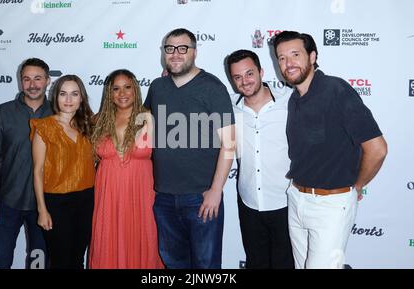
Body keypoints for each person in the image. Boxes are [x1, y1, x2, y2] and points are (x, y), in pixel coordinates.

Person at [272, 31, 387, 269]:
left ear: (312, 56)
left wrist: (357, 185)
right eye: (281, 58)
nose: (288, 63)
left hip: (331, 205)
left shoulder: (336, 90)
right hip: (296, 198)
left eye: (295, 54)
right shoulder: (294, 99)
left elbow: (377, 149)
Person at [144, 28, 235, 269]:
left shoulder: (213, 88)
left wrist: (216, 190)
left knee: (206, 266)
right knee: (174, 264)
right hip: (163, 196)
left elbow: (229, 143)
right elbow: (141, 124)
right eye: (170, 48)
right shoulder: (157, 87)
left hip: (201, 197)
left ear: (194, 52)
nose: (175, 54)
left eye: (182, 48)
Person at [0, 58, 52, 269]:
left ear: (48, 81)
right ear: (21, 82)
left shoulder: (59, 114)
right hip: (7, 203)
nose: (32, 84)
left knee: (39, 263)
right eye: (26, 79)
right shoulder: (2, 113)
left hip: (44, 206)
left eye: (38, 78)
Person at [226, 49, 294, 269]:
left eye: (249, 74)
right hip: (249, 203)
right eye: (237, 77)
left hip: (286, 202)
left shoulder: (289, 101)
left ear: (261, 71)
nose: (244, 82)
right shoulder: (229, 109)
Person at [89, 69, 163, 269]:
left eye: (127, 87)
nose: (122, 93)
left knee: (143, 239)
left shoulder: (150, 119)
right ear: (109, 93)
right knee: (108, 240)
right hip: (108, 195)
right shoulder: (97, 121)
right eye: (116, 88)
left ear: (135, 90)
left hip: (141, 194)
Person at [31, 74, 95, 269]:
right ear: (55, 97)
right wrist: (42, 209)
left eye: (74, 94)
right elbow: (38, 171)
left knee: (77, 259)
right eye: (63, 94)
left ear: (81, 98)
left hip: (86, 200)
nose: (68, 100)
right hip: (56, 202)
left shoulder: (89, 126)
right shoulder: (44, 127)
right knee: (60, 260)